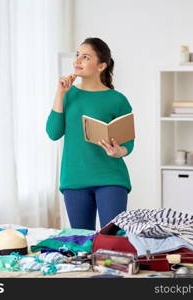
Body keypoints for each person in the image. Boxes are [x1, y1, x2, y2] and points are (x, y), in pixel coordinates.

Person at [45, 37, 134, 230]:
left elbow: (129, 142)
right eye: (77, 55)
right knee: (83, 243)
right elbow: (53, 133)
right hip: (74, 179)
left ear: (101, 65)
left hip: (111, 178)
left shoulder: (117, 100)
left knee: (111, 242)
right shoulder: (67, 94)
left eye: (85, 57)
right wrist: (60, 94)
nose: (77, 61)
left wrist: (120, 151)